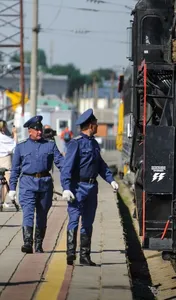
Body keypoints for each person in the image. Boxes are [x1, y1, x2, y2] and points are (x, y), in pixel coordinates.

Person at [61, 108, 118, 266]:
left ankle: (85, 256)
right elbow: (67, 167)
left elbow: (101, 165)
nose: (98, 126)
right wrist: (66, 187)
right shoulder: (75, 143)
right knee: (74, 218)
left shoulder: (93, 144)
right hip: (77, 187)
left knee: (88, 222)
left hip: (92, 188)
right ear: (90, 125)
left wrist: (111, 180)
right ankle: (71, 253)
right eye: (96, 124)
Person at [8, 115, 64, 254]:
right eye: (36, 129)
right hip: (27, 183)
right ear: (30, 131)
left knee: (42, 215)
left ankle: (38, 244)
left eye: (40, 129)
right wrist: (12, 188)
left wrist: (72, 176)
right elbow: (15, 169)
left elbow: (61, 163)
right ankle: (28, 243)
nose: (39, 132)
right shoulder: (21, 147)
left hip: (45, 184)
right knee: (27, 213)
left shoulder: (50, 145)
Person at [0, 120, 17, 205]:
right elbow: (14, 145)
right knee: (7, 180)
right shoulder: (3, 137)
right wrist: (15, 134)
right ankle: (1, 201)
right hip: (5, 159)